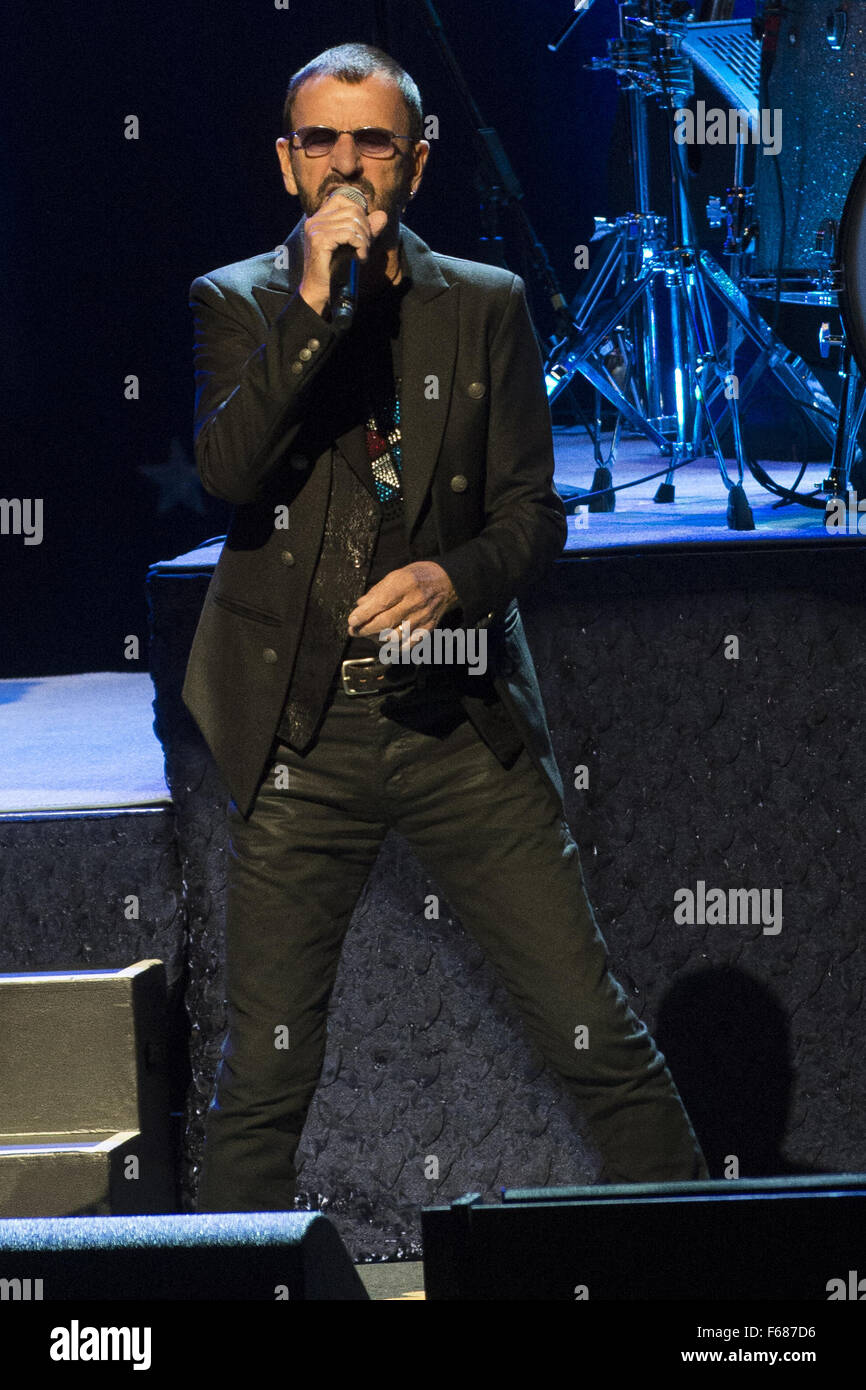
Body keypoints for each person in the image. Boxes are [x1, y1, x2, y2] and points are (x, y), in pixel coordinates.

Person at [182, 42, 709, 1212]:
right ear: (286, 163)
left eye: (372, 143)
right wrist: (317, 310)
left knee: (592, 1035)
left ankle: (703, 1279)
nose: (346, 171)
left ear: (415, 163)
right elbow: (229, 469)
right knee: (262, 1076)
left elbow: (533, 519)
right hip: (298, 736)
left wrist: (452, 580)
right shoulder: (239, 302)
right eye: (320, 142)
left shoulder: (485, 304)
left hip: (456, 724)